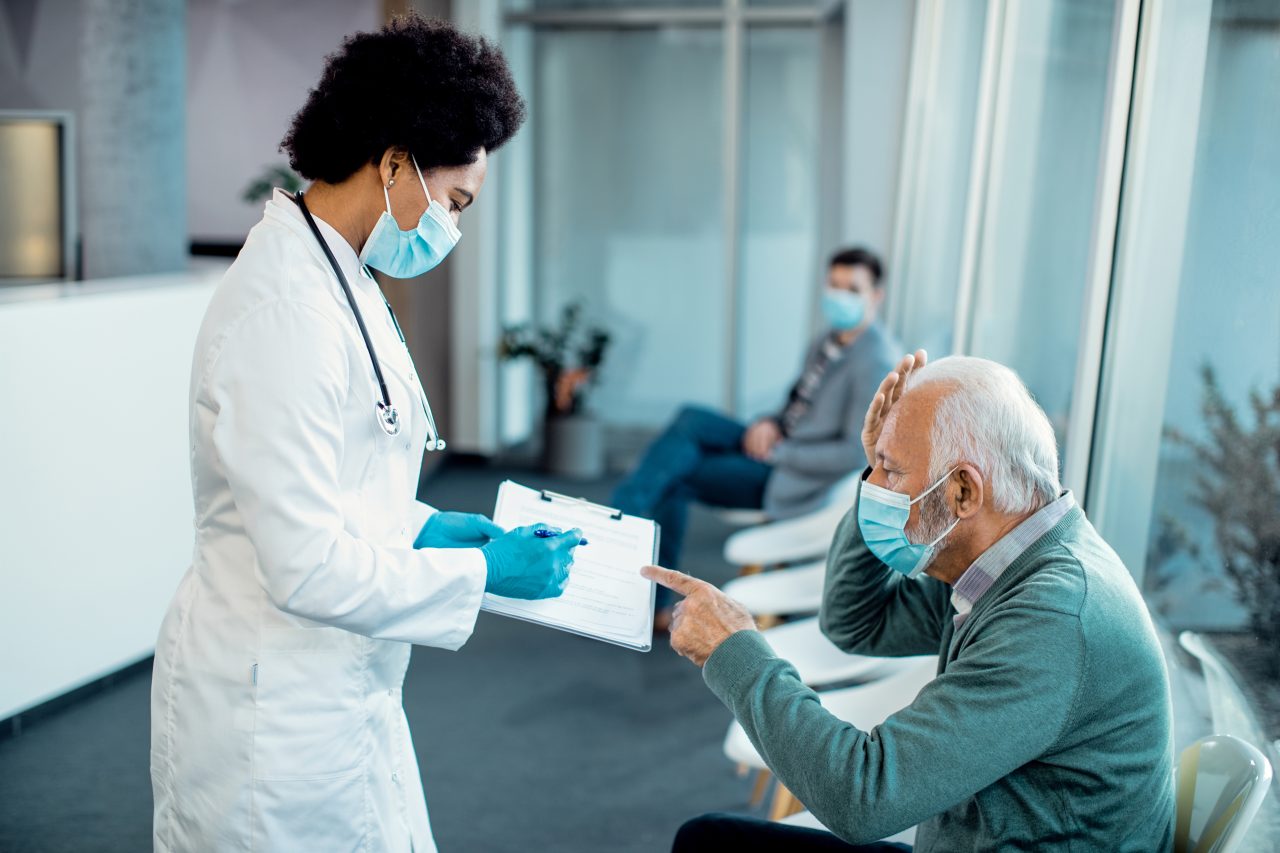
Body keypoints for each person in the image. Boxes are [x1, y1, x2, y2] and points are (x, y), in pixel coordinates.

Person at [149, 17, 583, 852]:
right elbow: (307, 564)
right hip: (269, 707)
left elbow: (336, 476)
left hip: (339, 684)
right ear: (392, 163)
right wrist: (478, 570)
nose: (453, 229)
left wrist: (424, 525)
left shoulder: (337, 273)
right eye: (454, 202)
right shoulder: (285, 311)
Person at [643, 352, 1176, 851]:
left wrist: (734, 651)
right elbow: (857, 623)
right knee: (710, 839)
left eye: (890, 472)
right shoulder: (1001, 559)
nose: (871, 486)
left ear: (964, 492)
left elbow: (862, 797)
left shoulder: (1053, 618)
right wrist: (879, 467)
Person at [612, 248, 899, 619]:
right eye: (834, 285)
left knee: (676, 474)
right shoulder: (828, 340)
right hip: (781, 442)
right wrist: (769, 424)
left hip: (791, 473)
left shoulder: (874, 360)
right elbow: (797, 405)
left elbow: (854, 452)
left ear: (876, 296)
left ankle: (622, 527)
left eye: (853, 289)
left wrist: (780, 453)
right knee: (690, 421)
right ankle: (623, 515)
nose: (840, 296)